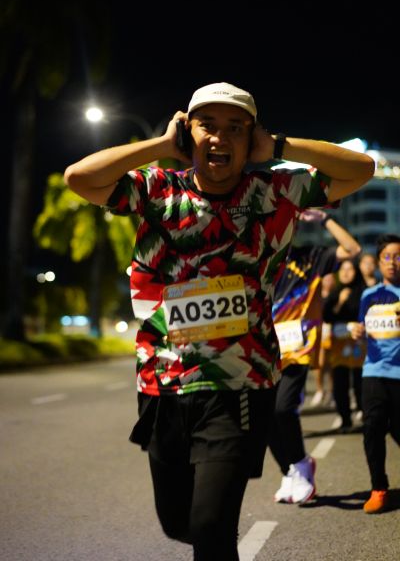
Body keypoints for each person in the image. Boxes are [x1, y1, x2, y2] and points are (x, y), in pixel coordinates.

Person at [64, 82, 374, 560]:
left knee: (211, 525)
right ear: (188, 133)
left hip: (241, 385)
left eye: (236, 128)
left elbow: (361, 169)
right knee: (179, 523)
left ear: (251, 139)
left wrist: (280, 148)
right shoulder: (158, 189)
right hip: (163, 383)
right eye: (206, 125)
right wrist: (160, 146)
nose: (220, 138)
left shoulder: (275, 192)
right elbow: (80, 178)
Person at [271, 209, 361, 504]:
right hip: (264, 349)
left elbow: (352, 249)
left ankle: (300, 464)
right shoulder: (261, 258)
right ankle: (290, 471)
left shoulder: (313, 256)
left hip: (296, 348)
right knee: (265, 417)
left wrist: (324, 219)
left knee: (283, 408)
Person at [351, 234, 400, 514]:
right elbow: (362, 331)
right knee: (372, 428)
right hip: (373, 371)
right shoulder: (368, 296)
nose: (392, 263)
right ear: (380, 262)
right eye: (387, 257)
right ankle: (379, 488)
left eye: (398, 257)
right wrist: (358, 333)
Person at [322, 259, 367, 432]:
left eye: (350, 269)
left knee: (360, 382)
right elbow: (327, 316)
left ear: (356, 272)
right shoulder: (335, 293)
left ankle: (364, 414)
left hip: (359, 345)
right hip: (339, 346)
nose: (346, 273)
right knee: (340, 384)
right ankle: (345, 419)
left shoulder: (363, 292)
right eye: (343, 269)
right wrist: (340, 302)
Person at [310, 272, 337, 408]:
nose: (328, 282)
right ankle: (320, 390)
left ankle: (331, 392)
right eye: (326, 279)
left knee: (330, 364)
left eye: (330, 279)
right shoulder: (315, 295)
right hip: (319, 329)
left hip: (333, 330)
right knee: (319, 363)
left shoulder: (337, 295)